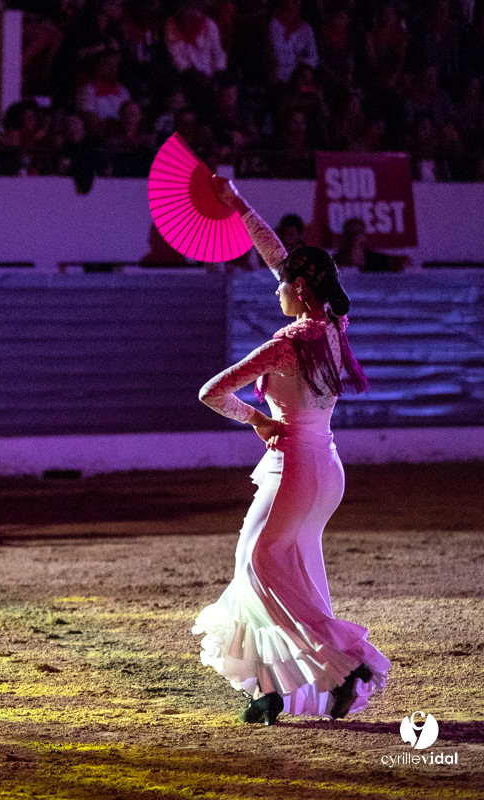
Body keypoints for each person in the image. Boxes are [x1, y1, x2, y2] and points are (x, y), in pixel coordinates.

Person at [193, 176, 389, 726]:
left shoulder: (286, 344)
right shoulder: (335, 325)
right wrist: (238, 206)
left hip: (295, 469)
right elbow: (280, 259)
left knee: (262, 563)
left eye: (283, 284)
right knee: (276, 568)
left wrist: (255, 418)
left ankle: (345, 663)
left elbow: (211, 392)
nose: (274, 288)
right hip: (325, 467)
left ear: (300, 288)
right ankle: (274, 691)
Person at [333, 217, 411, 272]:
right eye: (350, 233)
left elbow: (400, 261)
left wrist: (400, 263)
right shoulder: (334, 261)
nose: (355, 237)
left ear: (364, 235)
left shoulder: (375, 259)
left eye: (358, 232)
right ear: (344, 236)